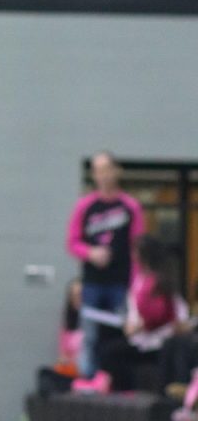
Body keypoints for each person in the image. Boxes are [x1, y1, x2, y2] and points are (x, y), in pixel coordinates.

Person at [74, 235, 188, 393]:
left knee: (112, 352)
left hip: (156, 341)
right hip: (141, 337)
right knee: (108, 348)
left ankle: (124, 390)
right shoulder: (141, 279)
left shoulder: (159, 281)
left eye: (135, 251)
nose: (132, 255)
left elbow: (165, 314)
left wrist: (142, 325)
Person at [66, 151, 144, 377]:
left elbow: (138, 248)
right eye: (98, 171)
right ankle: (87, 380)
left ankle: (117, 380)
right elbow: (72, 242)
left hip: (120, 282)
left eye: (106, 169)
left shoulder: (130, 207)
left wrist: (135, 284)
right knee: (89, 336)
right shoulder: (85, 207)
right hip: (93, 282)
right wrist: (90, 252)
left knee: (120, 336)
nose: (103, 176)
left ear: (115, 171)